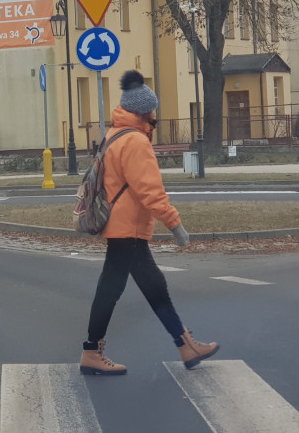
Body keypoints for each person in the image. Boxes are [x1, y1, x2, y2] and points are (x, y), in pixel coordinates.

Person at [80, 71, 218, 376]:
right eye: (152, 109)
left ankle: (184, 345)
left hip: (124, 228)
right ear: (144, 111)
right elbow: (149, 190)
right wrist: (175, 225)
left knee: (152, 285)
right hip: (126, 228)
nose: (155, 113)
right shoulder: (135, 142)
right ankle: (92, 351)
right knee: (113, 289)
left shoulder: (114, 135)